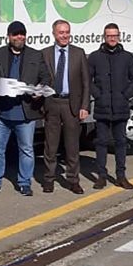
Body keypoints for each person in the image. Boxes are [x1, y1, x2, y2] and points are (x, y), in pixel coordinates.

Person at [0, 20, 51, 197]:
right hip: (1, 113)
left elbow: (46, 77)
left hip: (25, 112)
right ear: (9, 36)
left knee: (27, 150)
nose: (19, 37)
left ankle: (24, 183)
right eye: (15, 34)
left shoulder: (35, 55)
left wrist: (40, 90)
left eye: (22, 34)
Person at [88, 23, 133, 190]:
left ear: (119, 36)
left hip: (121, 106)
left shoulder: (127, 57)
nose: (112, 38)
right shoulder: (95, 57)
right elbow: (87, 79)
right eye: (109, 35)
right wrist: (98, 95)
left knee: (121, 142)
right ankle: (101, 176)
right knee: (101, 142)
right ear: (104, 37)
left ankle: (121, 176)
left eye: (115, 35)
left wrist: (125, 95)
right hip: (102, 106)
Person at [41, 19, 90, 194]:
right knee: (50, 145)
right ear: (54, 34)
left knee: (72, 145)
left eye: (67, 32)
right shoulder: (45, 54)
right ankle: (49, 179)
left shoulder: (78, 53)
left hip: (72, 104)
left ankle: (73, 180)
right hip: (52, 103)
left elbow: (86, 82)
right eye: (61, 32)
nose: (65, 36)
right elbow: (40, 78)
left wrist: (85, 106)